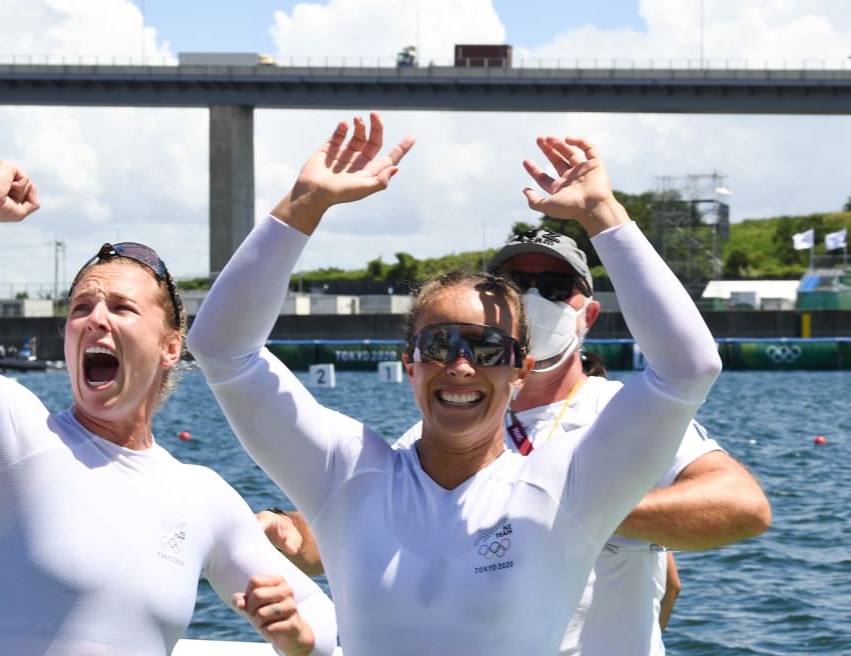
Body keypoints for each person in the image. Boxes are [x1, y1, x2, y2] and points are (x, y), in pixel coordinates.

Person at [189, 112, 722, 654]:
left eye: (487, 349)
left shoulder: (566, 484)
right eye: (440, 345)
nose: (461, 366)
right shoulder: (347, 471)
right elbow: (222, 350)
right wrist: (303, 205)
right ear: (409, 363)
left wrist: (603, 215)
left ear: (520, 371)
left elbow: (690, 368)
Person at [0, 162, 337, 655]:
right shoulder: (10, 435)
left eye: (122, 308)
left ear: (171, 347)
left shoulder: (201, 495)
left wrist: (296, 634)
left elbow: (319, 621)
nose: (94, 320)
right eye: (81, 308)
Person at [258, 228, 772, 655]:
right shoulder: (443, 427)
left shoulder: (617, 417)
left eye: (554, 286)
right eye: (516, 282)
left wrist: (587, 507)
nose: (533, 296)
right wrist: (290, 529)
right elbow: (370, 524)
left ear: (587, 313)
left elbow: (744, 507)